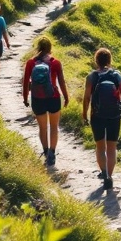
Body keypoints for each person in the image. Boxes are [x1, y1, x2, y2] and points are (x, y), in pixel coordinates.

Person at [82, 47, 121, 191]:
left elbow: (86, 98)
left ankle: (104, 173)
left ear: (96, 60)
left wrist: (84, 114)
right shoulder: (117, 76)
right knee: (112, 147)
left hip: (97, 115)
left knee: (100, 147)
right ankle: (109, 176)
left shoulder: (91, 77)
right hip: (114, 115)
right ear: (110, 60)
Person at [23, 35, 69, 166]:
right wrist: (66, 96)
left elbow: (26, 82)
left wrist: (25, 98)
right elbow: (61, 82)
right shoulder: (55, 62)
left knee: (42, 128)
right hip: (53, 98)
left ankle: (45, 151)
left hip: (37, 98)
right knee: (54, 127)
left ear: (38, 47)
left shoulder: (31, 63)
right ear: (50, 48)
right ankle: (52, 153)